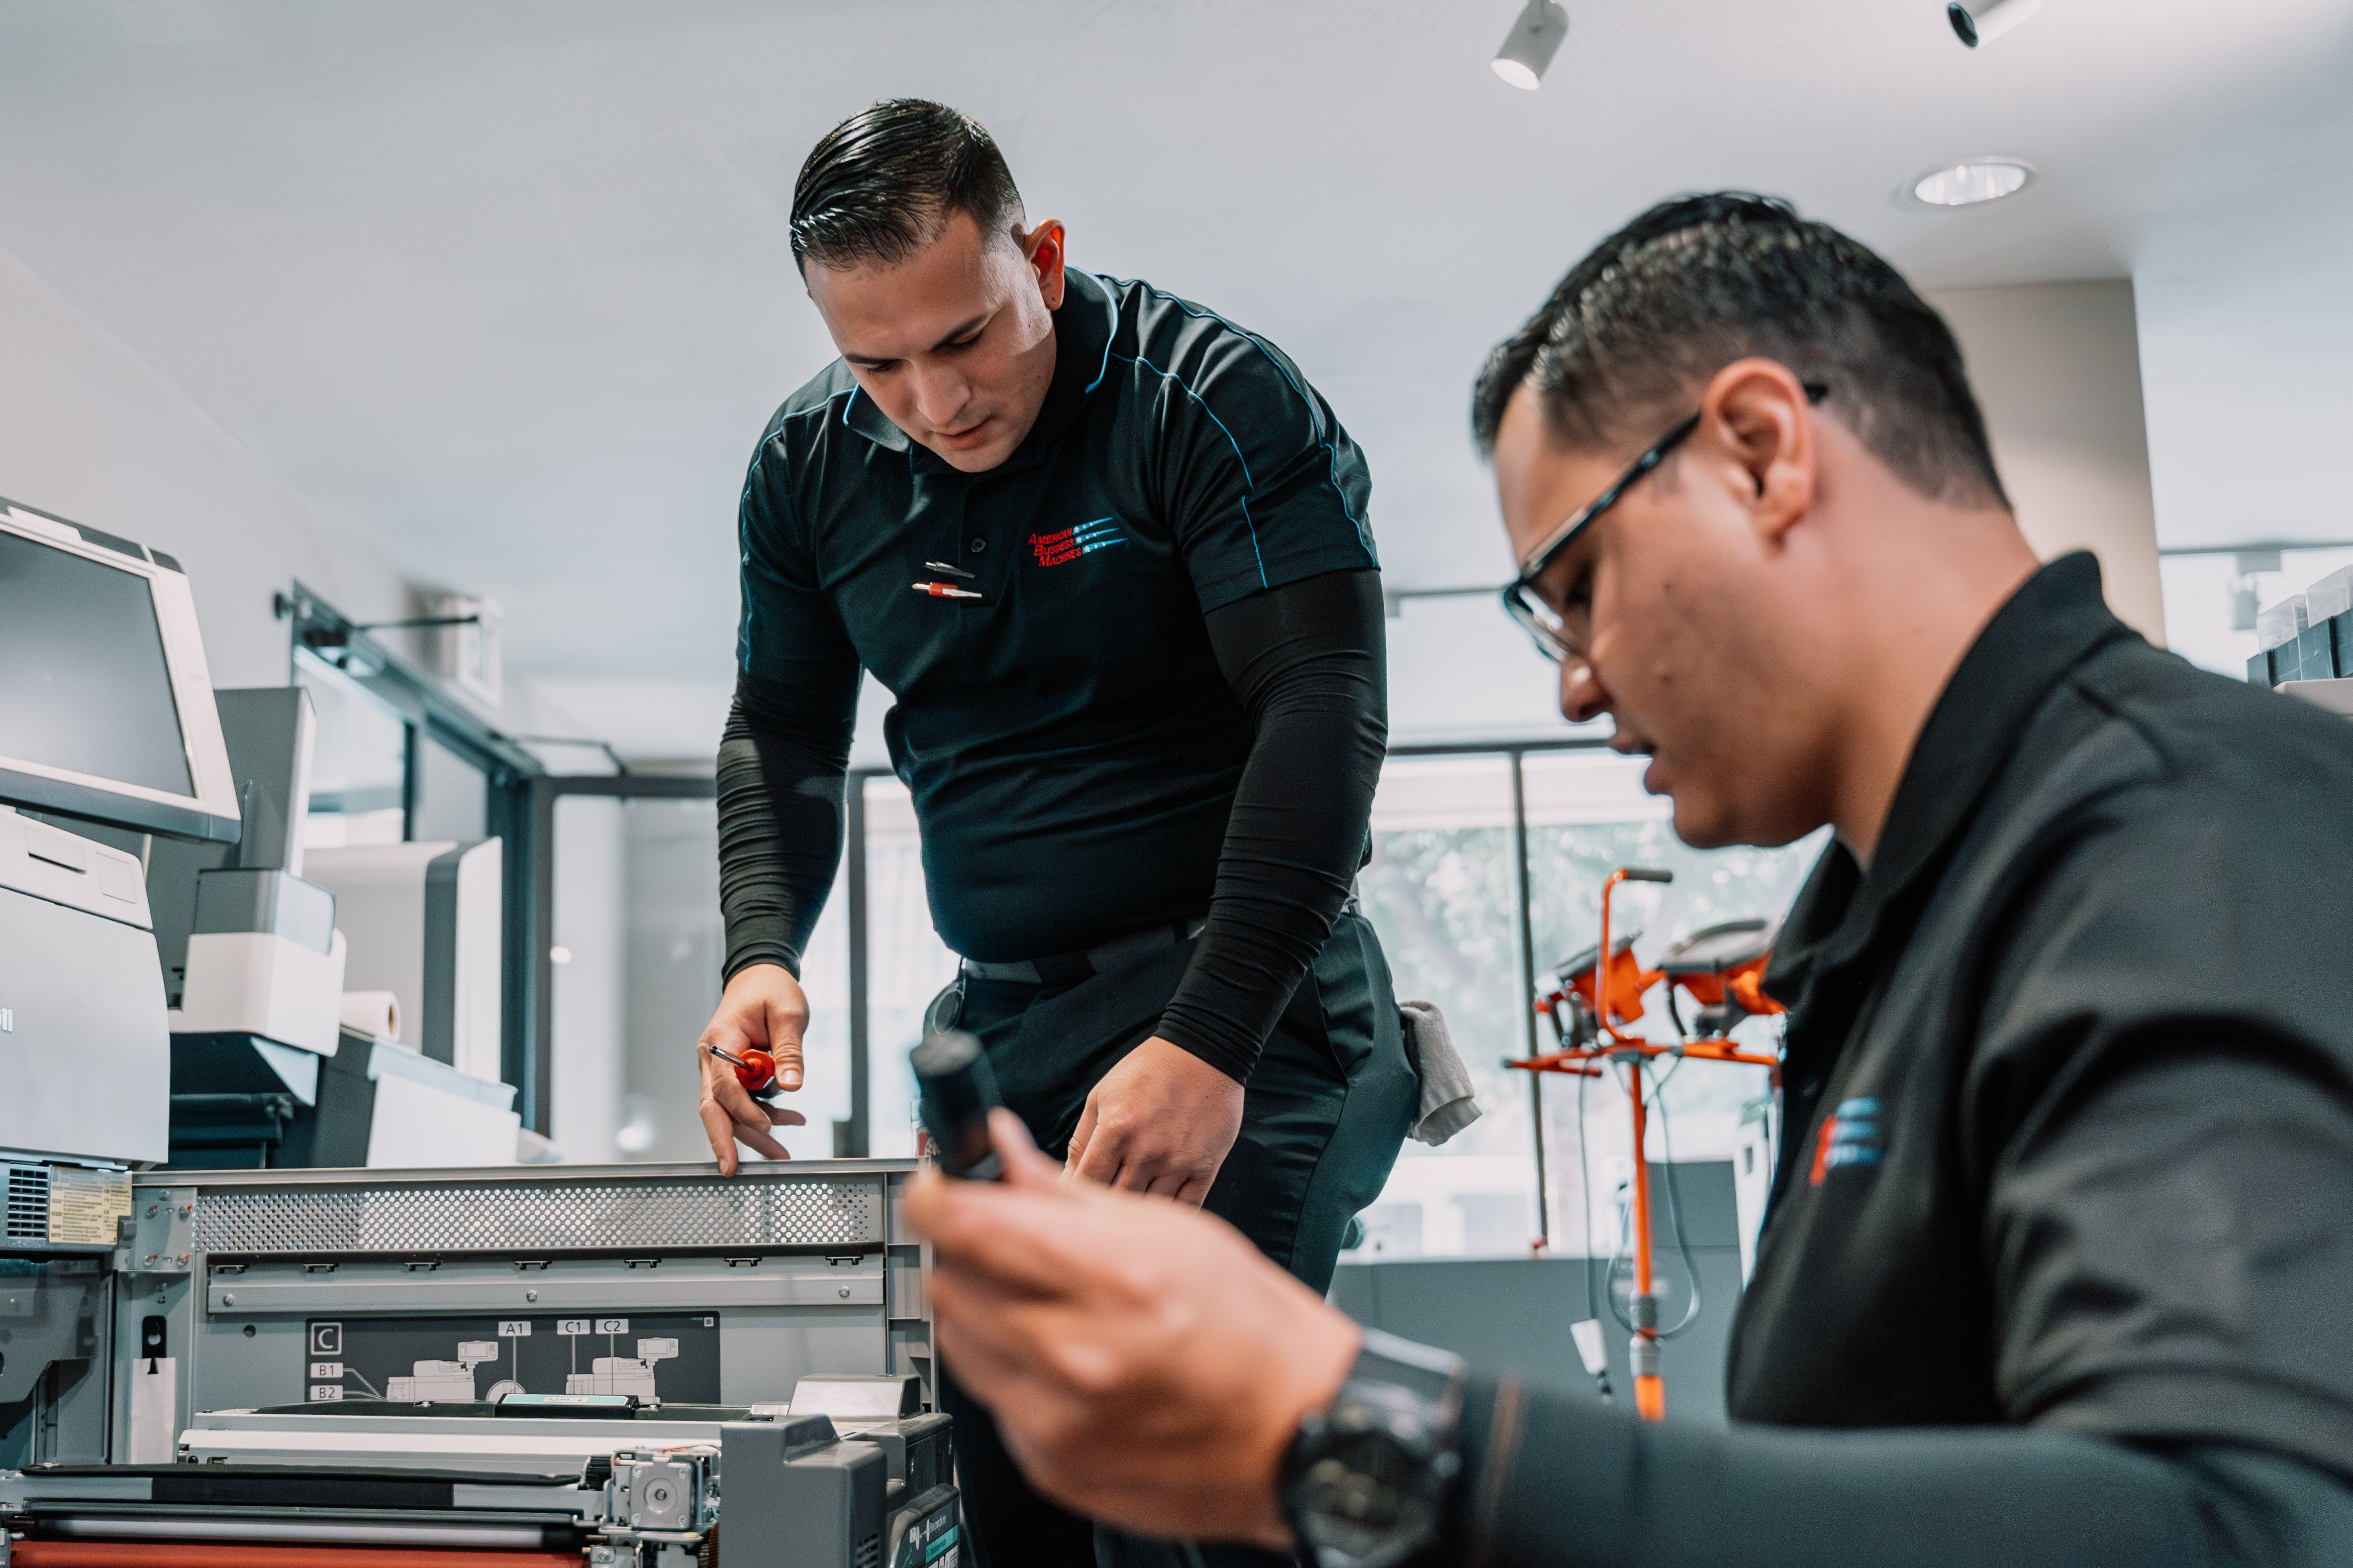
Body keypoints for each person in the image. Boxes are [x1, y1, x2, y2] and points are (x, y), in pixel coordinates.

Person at [903, 193, 2353, 1567]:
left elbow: (2240, 1526)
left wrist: (1360, 1424)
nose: (1580, 687)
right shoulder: (1896, 927)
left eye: (1577, 587)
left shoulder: (2179, 827)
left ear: (1761, 451)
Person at [693, 98, 1418, 1566]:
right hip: (1007, 1033)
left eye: (964, 338)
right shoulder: (809, 468)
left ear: (1044, 254)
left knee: (1200, 1485)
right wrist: (759, 951)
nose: (934, 400)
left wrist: (1208, 1041)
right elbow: (781, 728)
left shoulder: (1203, 396)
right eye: (875, 362)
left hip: (1247, 1009)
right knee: (1008, 1494)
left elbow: (1320, 704)